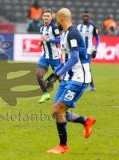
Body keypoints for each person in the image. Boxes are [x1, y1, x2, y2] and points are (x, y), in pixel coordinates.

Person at [45, 8, 96, 154]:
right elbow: (66, 59)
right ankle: (86, 121)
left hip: (78, 79)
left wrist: (57, 74)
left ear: (61, 19)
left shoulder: (73, 33)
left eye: (57, 20)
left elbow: (74, 58)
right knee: (56, 111)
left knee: (58, 110)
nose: (56, 23)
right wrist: (54, 76)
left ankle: (63, 146)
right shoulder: (65, 34)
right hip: (68, 79)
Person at [36, 9, 61, 103]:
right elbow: (43, 40)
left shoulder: (54, 28)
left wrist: (48, 40)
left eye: (48, 16)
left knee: (60, 78)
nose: (46, 17)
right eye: (44, 16)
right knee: (38, 74)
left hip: (54, 57)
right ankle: (45, 94)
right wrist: (40, 42)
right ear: (42, 17)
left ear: (51, 17)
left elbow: (59, 41)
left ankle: (65, 96)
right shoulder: (41, 28)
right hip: (45, 56)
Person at [77, 11, 100, 91]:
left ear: (89, 17)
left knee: (86, 67)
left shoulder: (93, 27)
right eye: (84, 16)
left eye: (87, 16)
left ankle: (91, 85)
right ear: (82, 17)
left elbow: (97, 38)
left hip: (88, 51)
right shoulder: (78, 26)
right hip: (79, 50)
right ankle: (89, 84)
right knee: (80, 67)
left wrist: (95, 49)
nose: (85, 17)